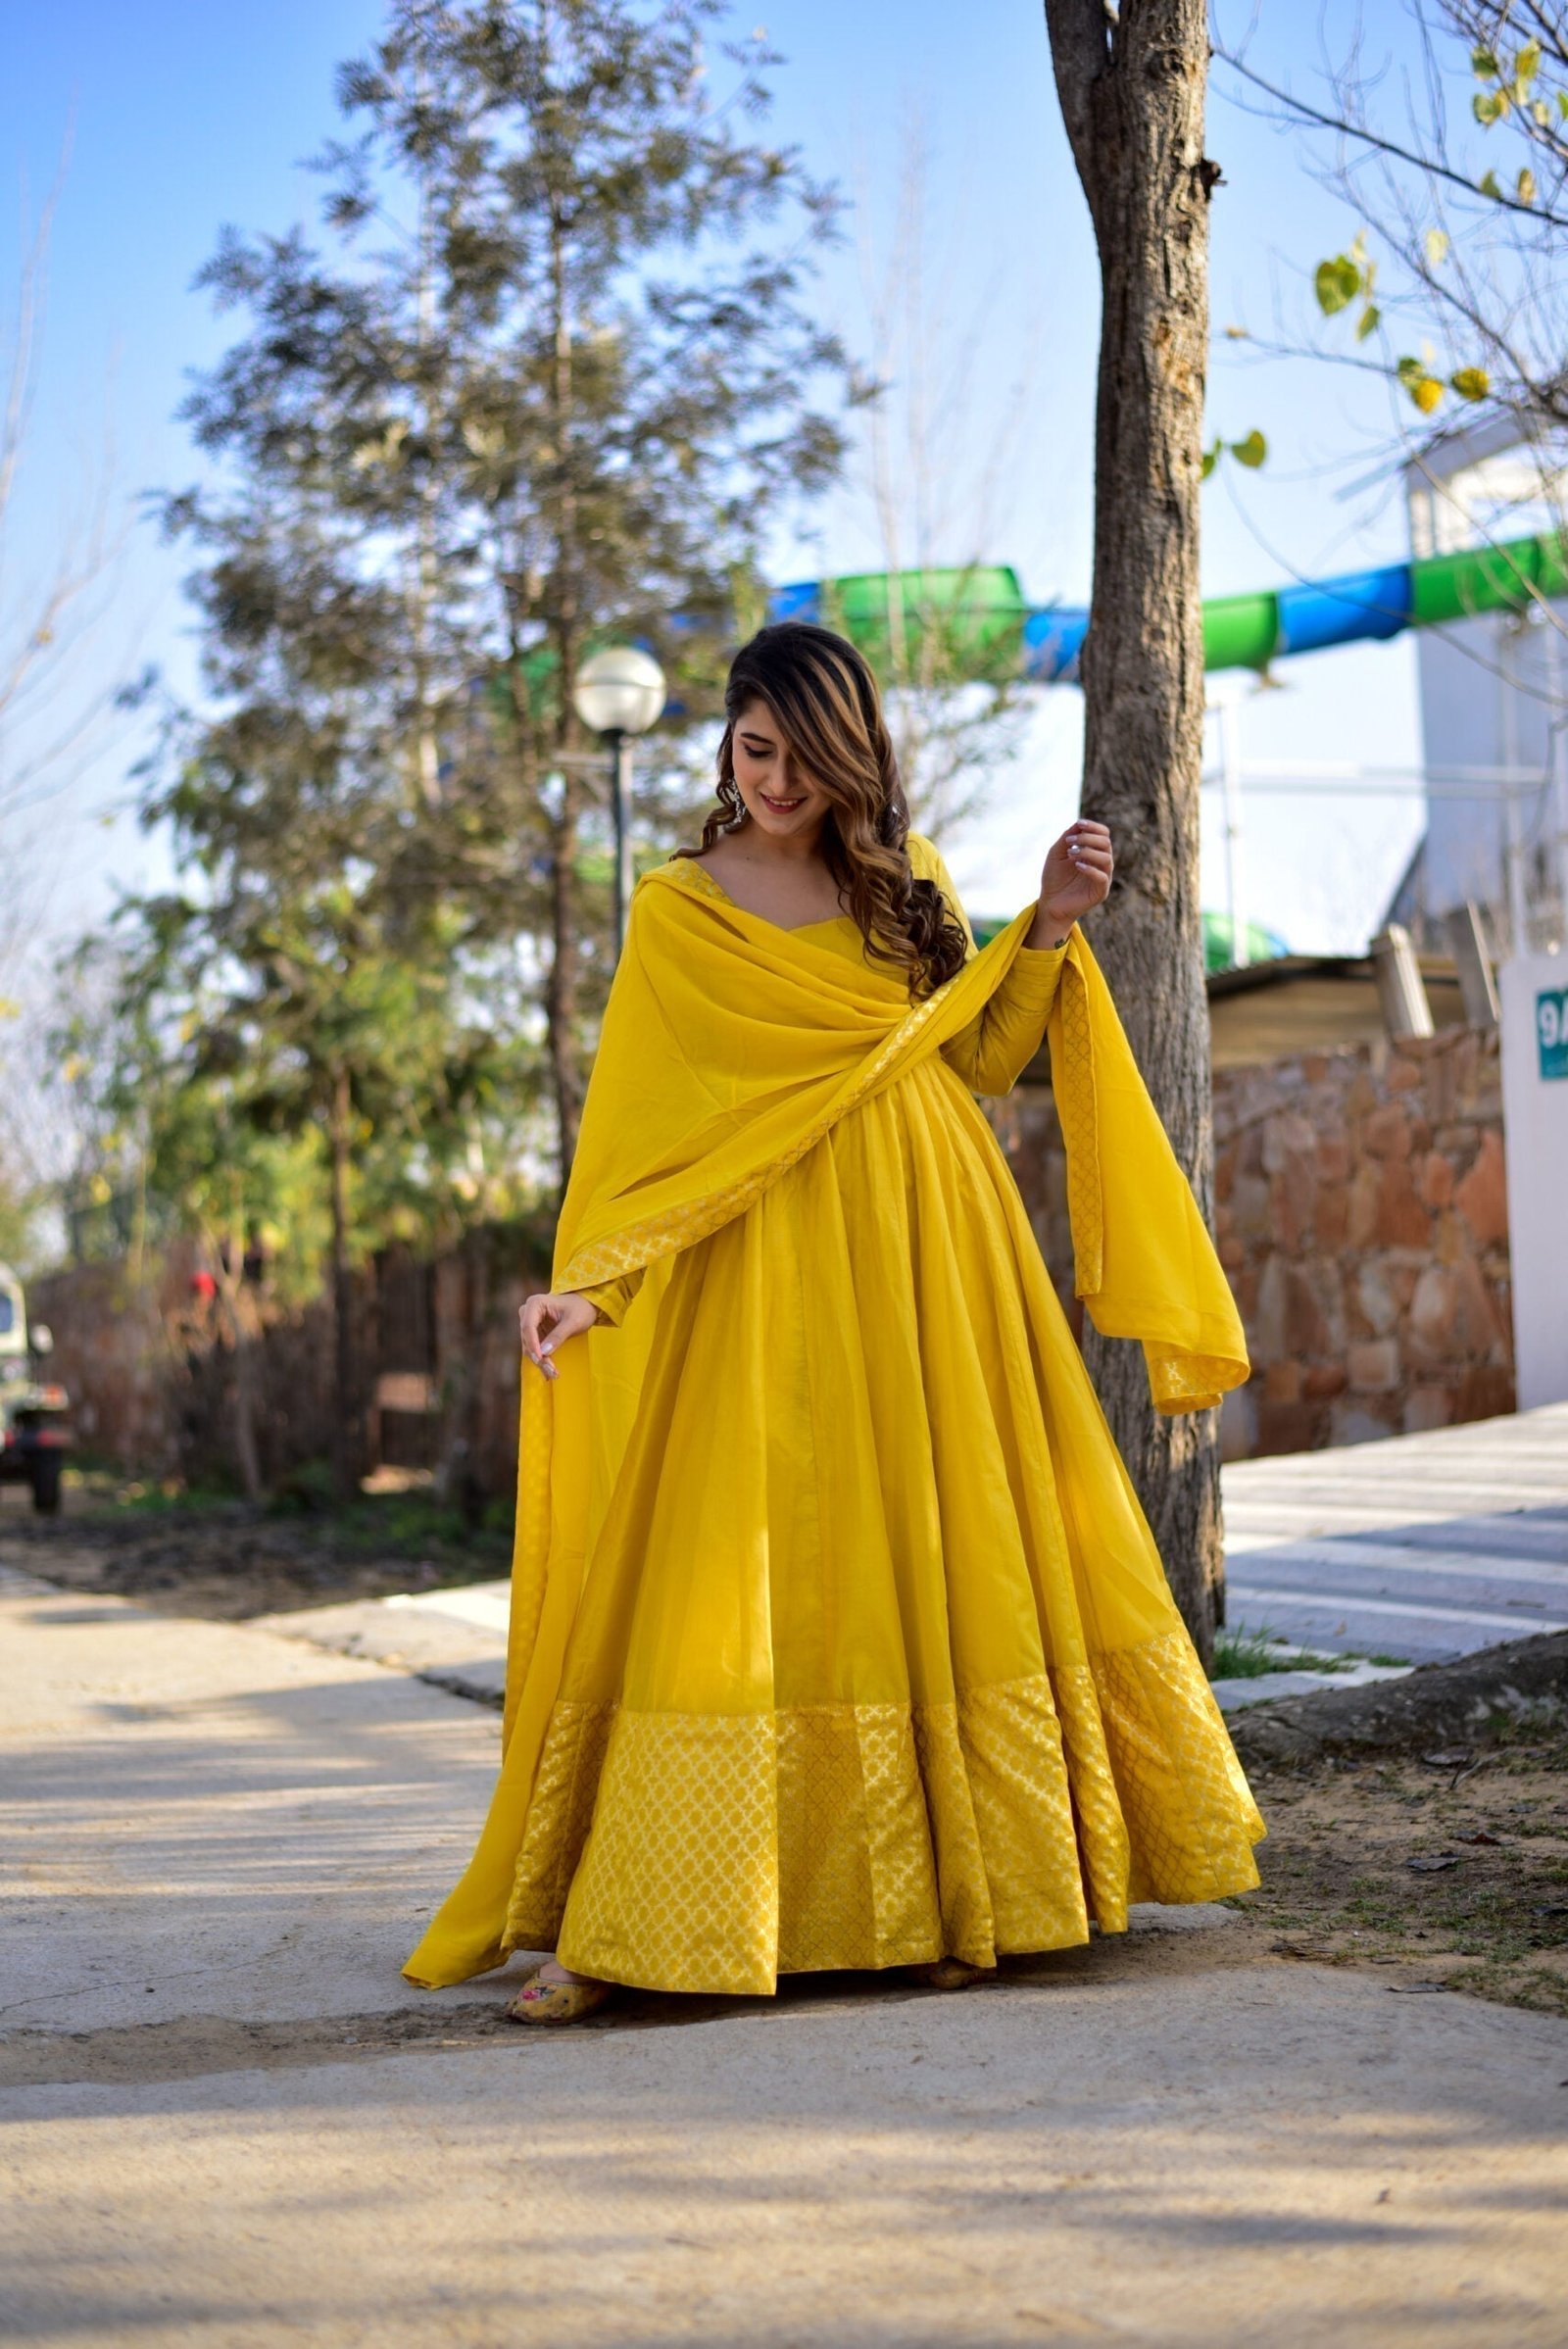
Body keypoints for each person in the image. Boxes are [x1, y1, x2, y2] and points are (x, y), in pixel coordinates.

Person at [404, 621, 1263, 2022]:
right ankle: (644, 1916)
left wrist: (1049, 924)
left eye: (808, 756)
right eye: (757, 750)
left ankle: (953, 1889)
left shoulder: (906, 882)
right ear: (726, 744)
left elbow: (979, 1057)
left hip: (937, 1256)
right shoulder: (679, 909)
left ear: (855, 755)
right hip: (761, 1263)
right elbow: (642, 1129)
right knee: (745, 1565)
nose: (780, 781)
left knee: (932, 1552)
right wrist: (595, 1282)